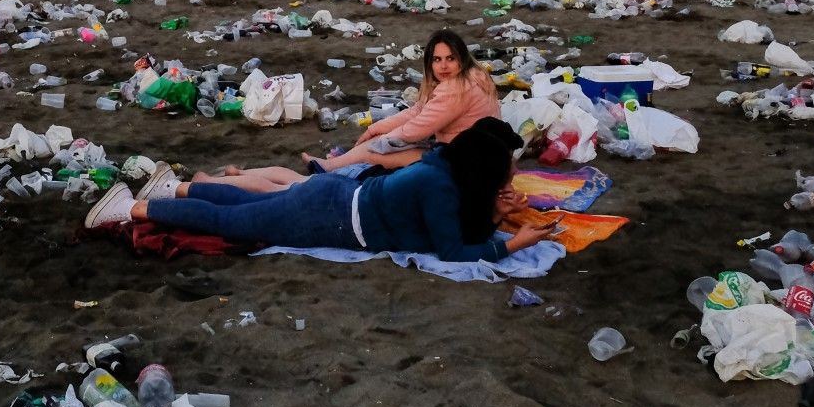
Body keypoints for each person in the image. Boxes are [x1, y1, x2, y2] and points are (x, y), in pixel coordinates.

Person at [85, 117, 555, 262]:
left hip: (332, 197)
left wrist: (493, 218)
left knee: (257, 202)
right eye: (502, 177)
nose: (506, 183)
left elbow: (453, 230)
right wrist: (513, 243)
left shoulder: (441, 169)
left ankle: (173, 189)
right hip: (329, 218)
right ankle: (135, 207)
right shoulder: (438, 186)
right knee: (235, 222)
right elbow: (452, 249)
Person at [309, 29, 500, 176]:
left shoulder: (456, 89)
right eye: (437, 59)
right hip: (474, 153)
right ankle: (334, 164)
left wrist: (381, 140)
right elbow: (418, 111)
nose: (443, 66)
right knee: (380, 140)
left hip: (467, 164)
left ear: (461, 59)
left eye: (450, 58)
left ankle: (328, 167)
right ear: (429, 63)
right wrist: (377, 128)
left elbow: (416, 129)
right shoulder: (472, 76)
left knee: (375, 153)